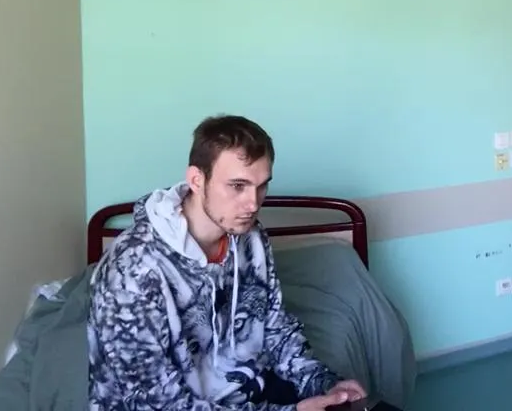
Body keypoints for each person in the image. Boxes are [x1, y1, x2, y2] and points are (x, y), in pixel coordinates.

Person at [88, 114, 368, 410]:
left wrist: (323, 382)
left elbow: (273, 326)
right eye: (237, 186)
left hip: (248, 390)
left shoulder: (251, 236)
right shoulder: (133, 269)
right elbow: (155, 403)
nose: (253, 204)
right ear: (197, 180)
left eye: (261, 186)